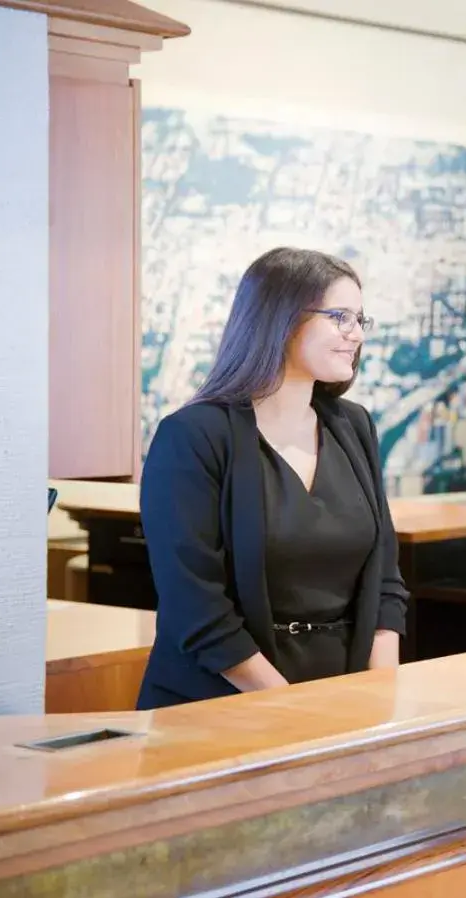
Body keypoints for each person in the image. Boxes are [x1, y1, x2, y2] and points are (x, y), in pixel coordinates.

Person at [136, 247, 409, 709]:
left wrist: (377, 695)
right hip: (221, 705)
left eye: (361, 320)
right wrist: (290, 711)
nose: (356, 335)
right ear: (279, 318)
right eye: (340, 317)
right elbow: (196, 609)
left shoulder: (353, 426)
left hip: (341, 702)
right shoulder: (193, 436)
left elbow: (385, 579)